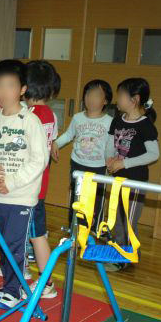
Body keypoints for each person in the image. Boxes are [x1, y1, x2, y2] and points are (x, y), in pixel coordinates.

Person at [0, 60, 48, 309]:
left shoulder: (30, 121)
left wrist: (11, 181)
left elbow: (39, 160)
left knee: (16, 245)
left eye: (10, 86)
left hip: (21, 196)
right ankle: (10, 285)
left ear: (22, 89)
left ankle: (15, 289)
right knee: (4, 243)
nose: (3, 92)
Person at [105, 78, 159, 271]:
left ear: (134, 100)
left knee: (127, 221)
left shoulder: (145, 125)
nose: (117, 99)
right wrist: (110, 159)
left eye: (121, 95)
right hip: (118, 179)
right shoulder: (117, 120)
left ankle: (122, 259)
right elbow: (110, 144)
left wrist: (124, 163)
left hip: (136, 182)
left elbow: (154, 154)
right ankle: (128, 253)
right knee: (117, 218)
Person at [52, 79, 113, 229]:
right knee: (76, 198)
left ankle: (94, 230)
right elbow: (69, 135)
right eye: (88, 94)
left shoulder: (110, 121)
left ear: (105, 100)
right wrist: (56, 143)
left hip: (99, 166)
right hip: (78, 164)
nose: (91, 98)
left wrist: (112, 160)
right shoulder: (78, 118)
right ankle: (74, 229)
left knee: (96, 200)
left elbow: (111, 144)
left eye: (97, 95)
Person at [22, 60, 59, 299]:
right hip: (38, 184)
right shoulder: (50, 115)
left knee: (36, 235)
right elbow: (50, 141)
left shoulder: (29, 116)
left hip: (29, 186)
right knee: (27, 232)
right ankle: (22, 269)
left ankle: (47, 283)